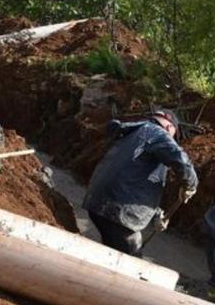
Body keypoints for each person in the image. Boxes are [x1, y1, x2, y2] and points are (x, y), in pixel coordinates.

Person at [83, 109, 198, 257]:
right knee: (131, 258)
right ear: (170, 128)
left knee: (111, 252)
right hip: (118, 210)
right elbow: (180, 159)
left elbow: (133, 178)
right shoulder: (158, 134)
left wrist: (156, 214)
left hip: (98, 201)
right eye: (173, 136)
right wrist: (191, 184)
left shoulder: (132, 132)